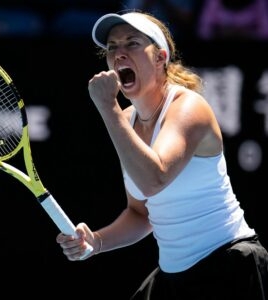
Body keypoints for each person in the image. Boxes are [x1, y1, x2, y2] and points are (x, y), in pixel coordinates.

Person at [56, 10, 268, 300]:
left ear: (160, 58)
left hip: (229, 267)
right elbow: (141, 212)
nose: (119, 53)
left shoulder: (188, 107)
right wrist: (97, 240)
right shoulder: (127, 120)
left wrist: (108, 108)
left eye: (132, 43)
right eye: (113, 47)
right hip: (173, 277)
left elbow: (154, 180)